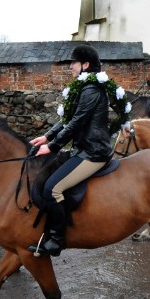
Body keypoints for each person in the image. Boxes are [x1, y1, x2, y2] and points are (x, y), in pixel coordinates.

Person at [28, 44, 114, 257]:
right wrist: (47, 136)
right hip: (83, 148)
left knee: (52, 189)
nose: (71, 67)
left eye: (73, 63)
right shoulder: (84, 87)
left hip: (94, 152)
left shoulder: (91, 89)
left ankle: (56, 241)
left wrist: (52, 146)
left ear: (85, 65)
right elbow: (66, 119)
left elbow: (76, 122)